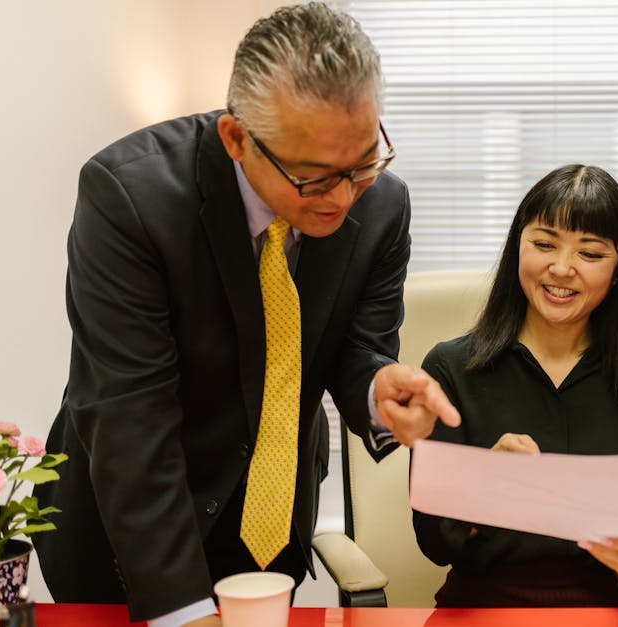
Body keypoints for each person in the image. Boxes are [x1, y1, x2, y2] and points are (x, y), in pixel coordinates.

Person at [33, 4, 460, 626]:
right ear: (237, 138)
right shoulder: (129, 197)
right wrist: (184, 611)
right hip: (130, 538)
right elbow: (131, 420)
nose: (343, 198)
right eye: (313, 178)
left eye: (364, 162)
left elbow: (355, 348)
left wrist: (375, 388)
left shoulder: (384, 206)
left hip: (266, 528)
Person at [412, 164, 618, 607]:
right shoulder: (449, 368)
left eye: (590, 254)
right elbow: (435, 543)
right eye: (543, 244)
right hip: (481, 609)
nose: (561, 268)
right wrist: (484, 482)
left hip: (605, 612)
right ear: (517, 248)